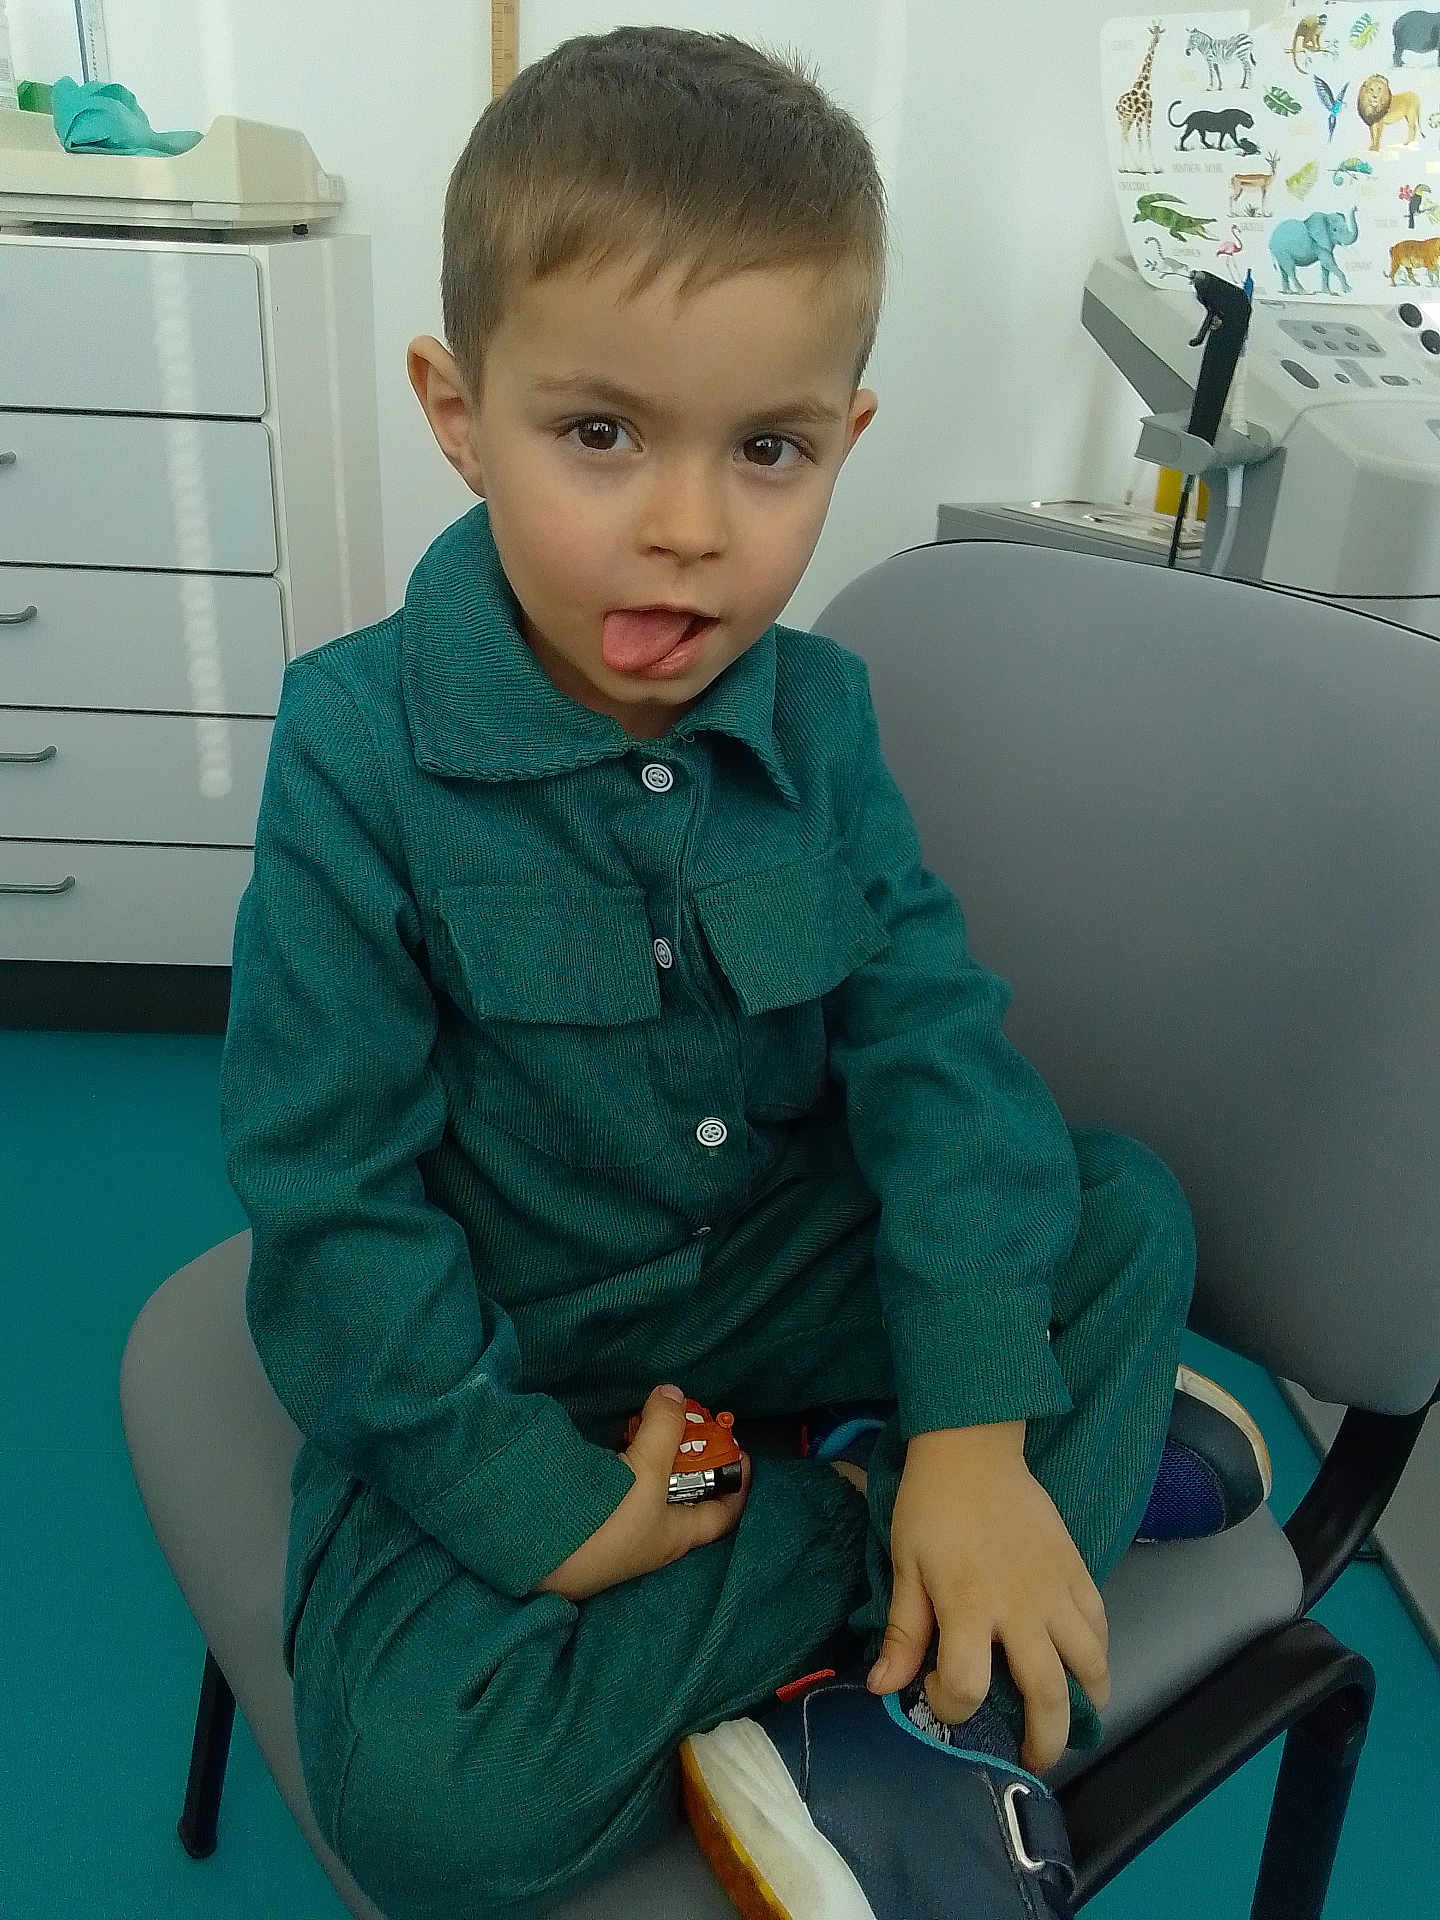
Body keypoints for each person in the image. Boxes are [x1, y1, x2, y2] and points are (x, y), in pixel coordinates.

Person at [218, 25, 1272, 1920]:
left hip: (773, 1273)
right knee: (425, 1807)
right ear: (456, 411)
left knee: (1121, 1214)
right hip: (516, 1350)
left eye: (767, 449)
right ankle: (859, 1530)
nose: (691, 529)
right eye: (599, 434)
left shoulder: (827, 720)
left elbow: (938, 1060)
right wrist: (556, 1523)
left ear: (843, 440)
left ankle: (919, 1597)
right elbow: (328, 1208)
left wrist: (966, 1422)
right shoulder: (354, 751)